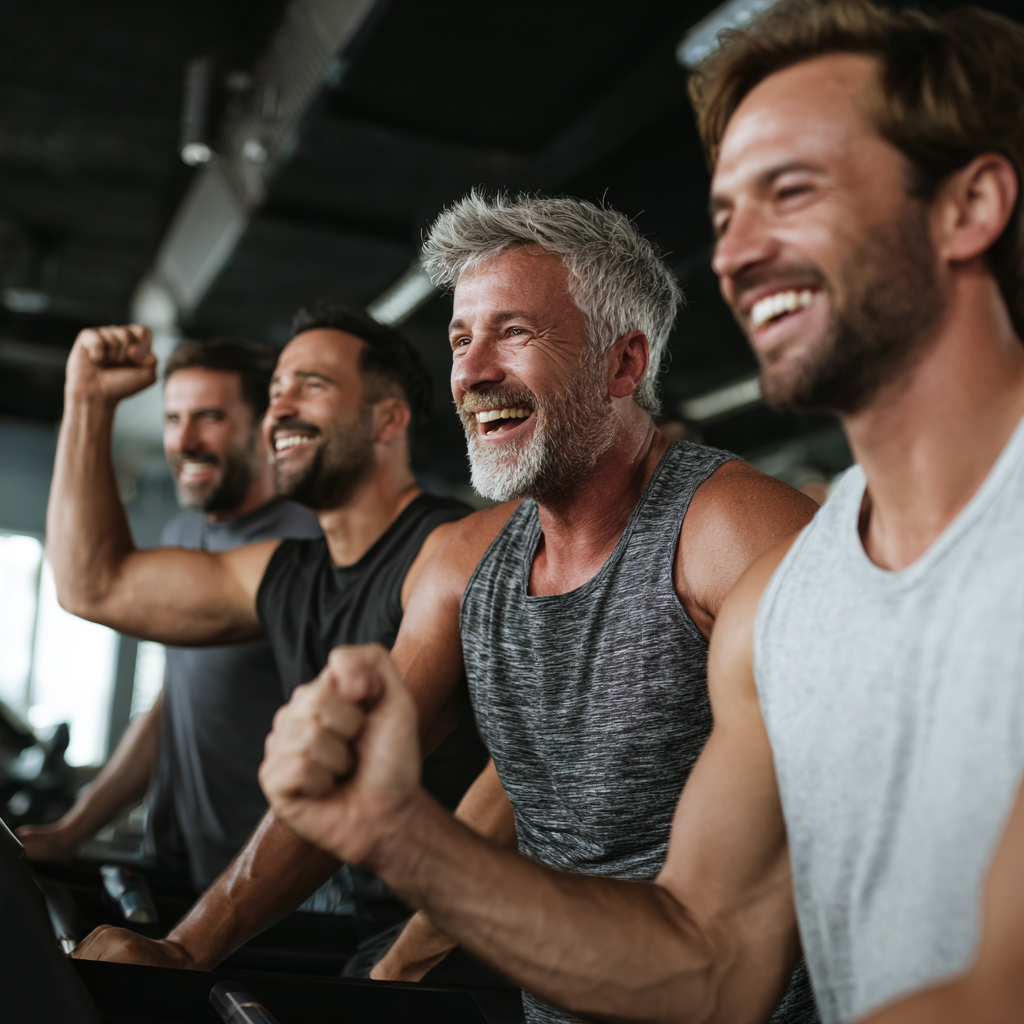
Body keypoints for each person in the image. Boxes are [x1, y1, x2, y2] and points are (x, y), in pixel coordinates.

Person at [254, 2, 1024, 1023]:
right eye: (725, 214)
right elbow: (709, 960)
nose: (737, 253)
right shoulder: (799, 589)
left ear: (969, 205)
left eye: (792, 190)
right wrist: (404, 837)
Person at [70, 194, 818, 1024]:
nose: (472, 372)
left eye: (515, 332)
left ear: (623, 364)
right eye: (462, 339)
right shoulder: (465, 563)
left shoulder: (732, 535)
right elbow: (368, 777)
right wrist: (187, 949)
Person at [46, 302, 486, 949]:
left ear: (388, 419)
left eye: (312, 384)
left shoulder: (448, 550)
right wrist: (86, 399)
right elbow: (93, 584)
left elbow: (346, 777)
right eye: (277, 389)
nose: (279, 409)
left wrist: (188, 949)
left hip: (456, 949)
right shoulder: (291, 572)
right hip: (356, 928)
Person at [17, 338, 322, 891]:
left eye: (209, 417)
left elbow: (88, 584)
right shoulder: (184, 534)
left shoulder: (306, 547)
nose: (184, 441)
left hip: (268, 884)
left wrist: (87, 400)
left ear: (265, 426)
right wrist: (71, 831)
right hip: (176, 861)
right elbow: (171, 707)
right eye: (173, 418)